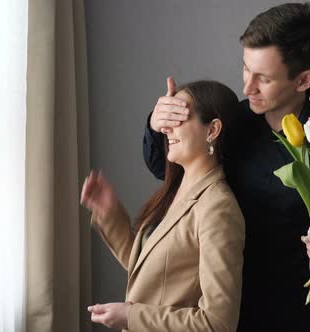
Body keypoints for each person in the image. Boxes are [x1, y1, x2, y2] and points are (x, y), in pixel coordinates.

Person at [142, 3, 310, 331]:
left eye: (263, 79)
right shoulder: (230, 123)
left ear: (304, 79)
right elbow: (164, 170)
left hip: (305, 315)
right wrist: (158, 125)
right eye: (245, 69)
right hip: (226, 306)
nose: (246, 87)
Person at [81, 80, 246, 331]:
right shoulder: (176, 190)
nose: (167, 127)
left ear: (212, 129)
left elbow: (218, 323)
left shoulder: (218, 208)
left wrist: (131, 317)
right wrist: (110, 212)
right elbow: (155, 273)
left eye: (179, 117)